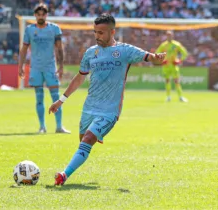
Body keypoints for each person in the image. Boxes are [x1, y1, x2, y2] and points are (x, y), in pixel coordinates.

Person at [49, 14, 165, 186]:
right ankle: (95, 136)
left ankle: (64, 175)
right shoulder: (90, 53)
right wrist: (61, 100)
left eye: (101, 33)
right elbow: (80, 78)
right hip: (89, 107)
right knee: (83, 141)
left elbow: (150, 58)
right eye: (95, 32)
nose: (97, 36)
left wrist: (157, 58)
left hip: (109, 110)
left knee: (88, 139)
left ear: (112, 32)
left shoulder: (125, 51)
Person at [17, 3, 70, 134]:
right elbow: (24, 49)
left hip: (51, 67)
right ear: (35, 15)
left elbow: (59, 48)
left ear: (46, 15)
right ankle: (42, 127)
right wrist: (21, 66)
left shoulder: (54, 29)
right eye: (38, 14)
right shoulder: (29, 30)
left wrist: (61, 66)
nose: (41, 17)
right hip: (36, 67)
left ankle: (59, 126)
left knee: (56, 97)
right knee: (39, 98)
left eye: (43, 14)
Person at [156, 30, 189, 102]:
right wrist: (162, 60)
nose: (169, 37)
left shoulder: (177, 44)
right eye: (168, 35)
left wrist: (180, 60)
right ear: (166, 36)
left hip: (174, 66)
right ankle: (168, 97)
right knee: (167, 81)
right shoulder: (163, 45)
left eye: (170, 35)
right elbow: (157, 53)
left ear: (172, 36)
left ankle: (181, 97)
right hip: (166, 66)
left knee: (176, 81)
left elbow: (185, 53)